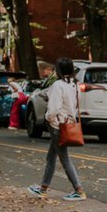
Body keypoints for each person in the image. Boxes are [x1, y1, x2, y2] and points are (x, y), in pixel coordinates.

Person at [28, 57, 86, 201]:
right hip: (68, 123)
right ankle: (43, 188)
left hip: (57, 125)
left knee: (64, 158)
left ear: (58, 70)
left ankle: (79, 190)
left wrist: (48, 118)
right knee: (51, 157)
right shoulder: (75, 85)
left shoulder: (58, 85)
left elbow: (53, 109)